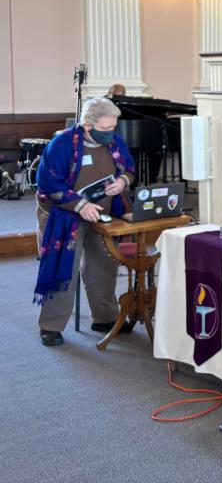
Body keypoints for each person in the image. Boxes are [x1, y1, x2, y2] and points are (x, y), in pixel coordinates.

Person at [34, 97, 137, 346]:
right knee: (63, 267)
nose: (111, 134)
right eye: (105, 129)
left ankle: (104, 317)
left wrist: (122, 182)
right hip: (65, 214)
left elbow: (129, 169)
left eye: (113, 127)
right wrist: (80, 205)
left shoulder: (113, 140)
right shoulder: (62, 144)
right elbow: (48, 183)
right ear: (87, 126)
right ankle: (51, 326)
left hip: (103, 213)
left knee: (104, 264)